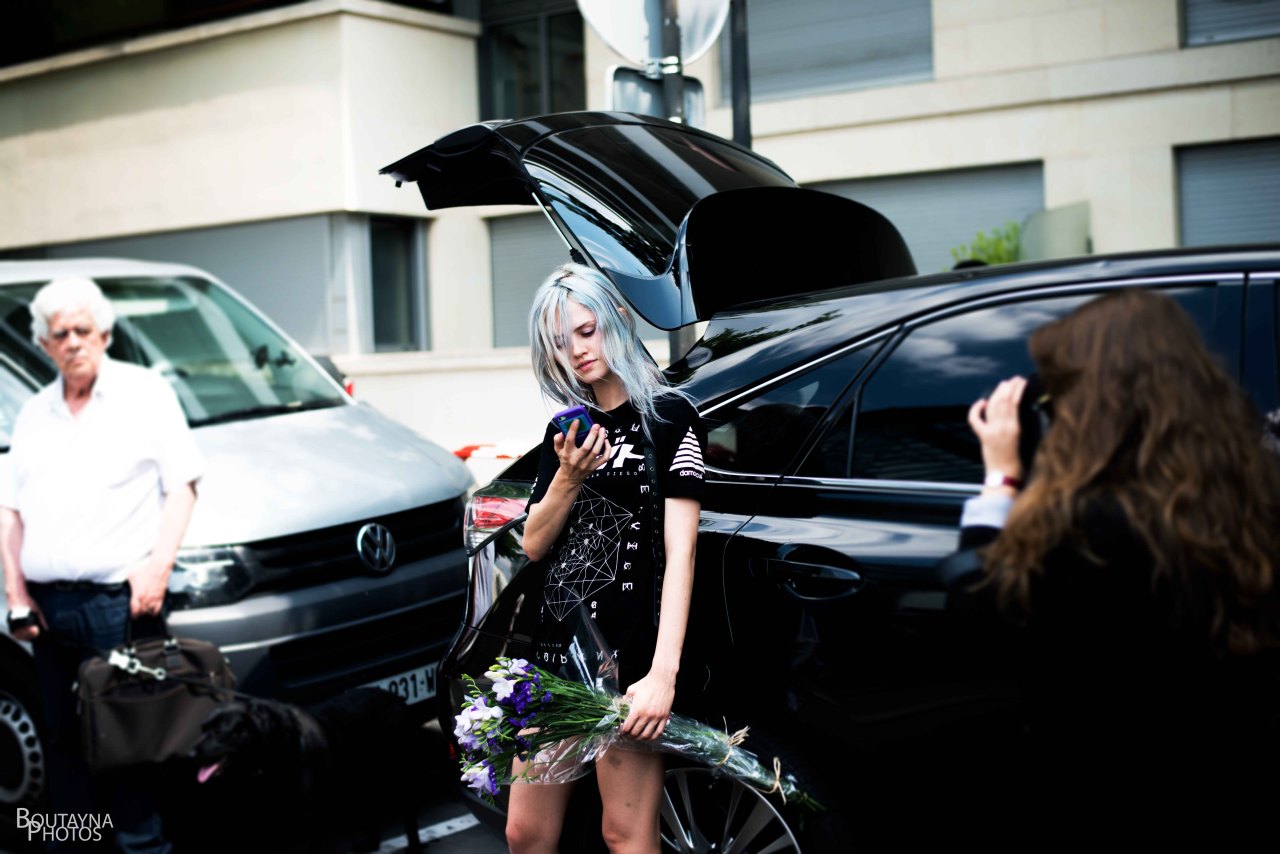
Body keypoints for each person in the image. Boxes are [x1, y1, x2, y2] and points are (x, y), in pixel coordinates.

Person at [960, 289, 1280, 803]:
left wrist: (1000, 478)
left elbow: (983, 623)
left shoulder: (1086, 528)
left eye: (1056, 400)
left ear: (1090, 405)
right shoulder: (1256, 493)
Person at [505, 263, 705, 854]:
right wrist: (568, 475)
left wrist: (663, 675)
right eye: (560, 342)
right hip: (554, 652)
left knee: (624, 834)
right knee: (524, 832)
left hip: (629, 660)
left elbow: (683, 552)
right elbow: (533, 544)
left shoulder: (669, 418)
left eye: (586, 331)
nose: (577, 351)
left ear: (618, 318)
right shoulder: (566, 431)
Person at [1, 276, 204, 853]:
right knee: (64, 743)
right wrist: (17, 596)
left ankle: (144, 850)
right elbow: (10, 509)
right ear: (44, 344)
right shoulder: (34, 413)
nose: (72, 342)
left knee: (128, 745)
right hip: (49, 610)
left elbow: (184, 486)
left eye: (82, 330)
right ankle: (73, 847)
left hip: (118, 606)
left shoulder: (145, 393)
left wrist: (158, 569)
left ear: (105, 334)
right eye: (59, 333)